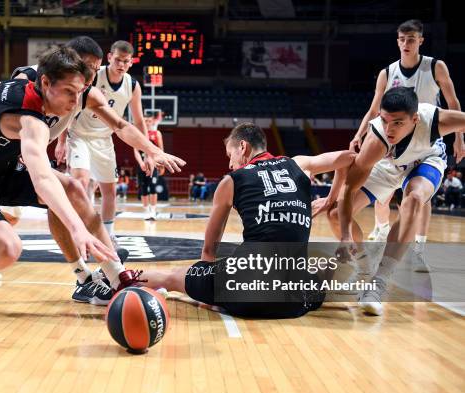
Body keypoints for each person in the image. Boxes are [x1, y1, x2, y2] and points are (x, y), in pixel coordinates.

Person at [0, 46, 158, 312]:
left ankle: (116, 276)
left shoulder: (32, 88)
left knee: (72, 188)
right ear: (45, 82)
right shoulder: (29, 117)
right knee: (6, 250)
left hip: (2, 169)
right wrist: (76, 228)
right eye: (69, 92)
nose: (75, 101)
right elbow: (42, 180)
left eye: (79, 92)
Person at [140, 123, 356, 318]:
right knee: (320, 270)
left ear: (242, 147)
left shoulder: (231, 181)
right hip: (293, 302)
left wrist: (207, 289)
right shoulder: (298, 164)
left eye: (229, 155)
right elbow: (348, 158)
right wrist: (330, 199)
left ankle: (112, 280)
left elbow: (208, 252)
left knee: (172, 277)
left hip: (244, 292)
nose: (231, 164)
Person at [324, 87, 465, 316]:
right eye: (385, 120)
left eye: (398, 123)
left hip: (425, 161)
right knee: (335, 214)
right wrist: (345, 236)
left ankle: (379, 282)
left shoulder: (436, 120)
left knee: (415, 198)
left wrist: (459, 139)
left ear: (415, 118)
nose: (389, 129)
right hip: (389, 166)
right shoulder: (377, 138)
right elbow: (349, 189)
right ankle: (363, 270)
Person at [350, 20, 464, 269]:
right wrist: (359, 135)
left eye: (411, 39)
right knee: (383, 193)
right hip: (396, 140)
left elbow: (453, 102)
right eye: (402, 39)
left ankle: (418, 249)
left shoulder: (435, 66)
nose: (406, 44)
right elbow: (373, 109)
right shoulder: (388, 73)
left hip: (427, 135)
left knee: (420, 197)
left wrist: (459, 137)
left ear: (421, 40)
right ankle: (382, 231)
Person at [62, 41, 177, 235]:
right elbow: (69, 107)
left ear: (131, 62)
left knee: (110, 191)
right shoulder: (94, 75)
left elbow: (139, 121)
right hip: (79, 134)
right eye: (117, 60)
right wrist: (60, 141)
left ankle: (109, 235)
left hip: (105, 138)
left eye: (125, 61)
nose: (121, 65)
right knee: (81, 182)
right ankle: (78, 230)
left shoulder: (132, 85)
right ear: (109, 58)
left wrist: (148, 152)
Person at [135, 115, 164, 220]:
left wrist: (161, 164)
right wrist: (140, 163)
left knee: (153, 186)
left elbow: (160, 150)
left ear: (152, 122)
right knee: (143, 188)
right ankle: (146, 211)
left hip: (154, 165)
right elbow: (136, 151)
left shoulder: (157, 134)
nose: (147, 122)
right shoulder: (137, 134)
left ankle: (153, 211)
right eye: (145, 120)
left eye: (149, 121)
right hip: (142, 165)